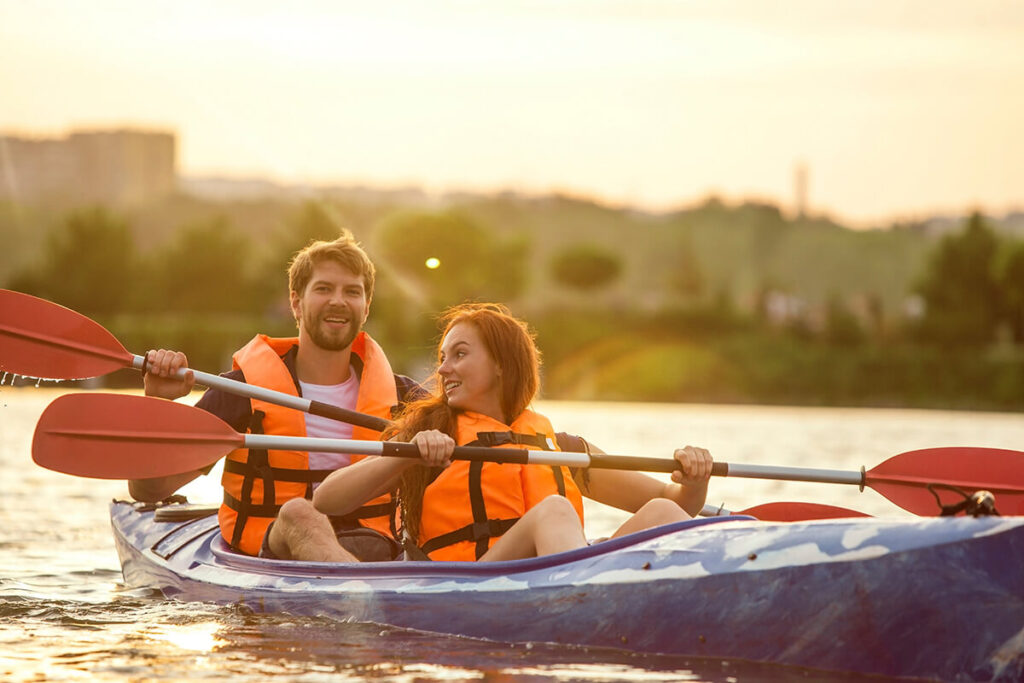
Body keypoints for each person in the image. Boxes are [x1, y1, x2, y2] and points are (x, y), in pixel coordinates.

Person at [313, 303, 713, 562]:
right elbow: (328, 500)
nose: (442, 370)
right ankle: (581, 600)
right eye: (442, 357)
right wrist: (407, 454)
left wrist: (695, 478)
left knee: (661, 513)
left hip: (557, 578)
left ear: (502, 364)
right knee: (554, 511)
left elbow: (673, 501)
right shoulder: (428, 433)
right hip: (473, 583)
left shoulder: (560, 447)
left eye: (460, 354)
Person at [128, 232, 421, 562]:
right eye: (324, 289)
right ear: (296, 302)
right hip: (273, 549)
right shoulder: (243, 392)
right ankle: (364, 602)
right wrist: (156, 404)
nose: (338, 300)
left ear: (366, 307)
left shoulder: (407, 399)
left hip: (374, 546)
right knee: (299, 514)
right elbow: (148, 490)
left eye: (352, 292)